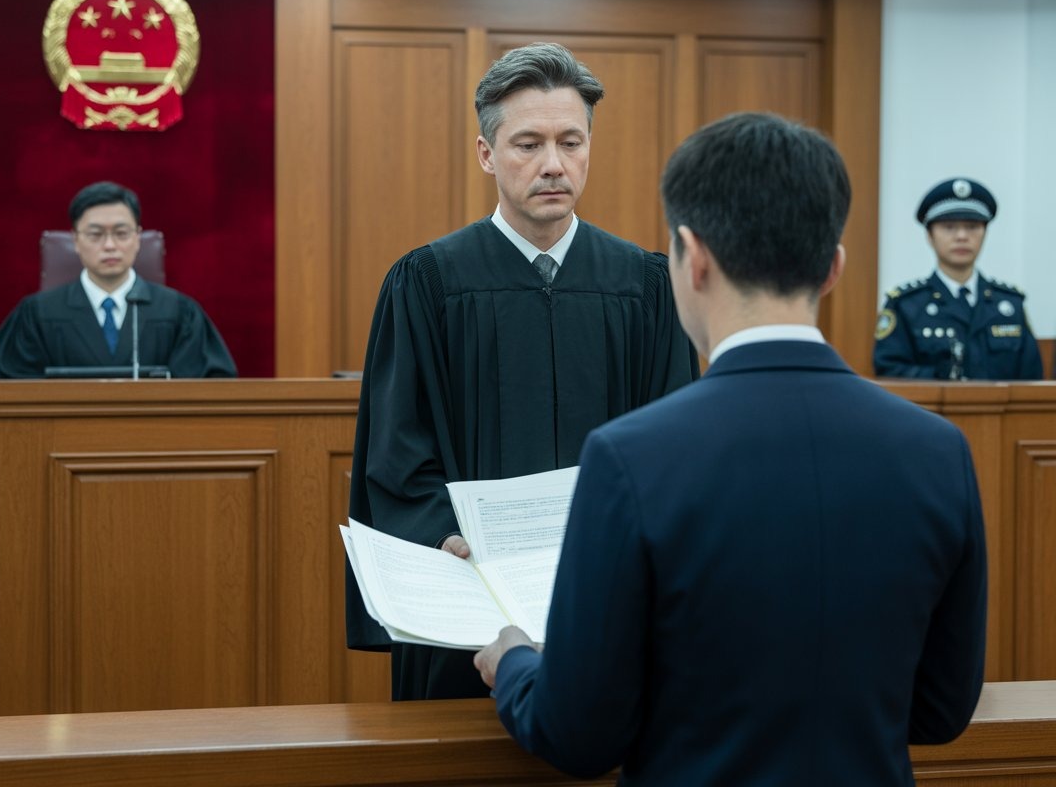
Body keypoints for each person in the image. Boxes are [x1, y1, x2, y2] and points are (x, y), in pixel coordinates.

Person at [474, 113, 987, 785]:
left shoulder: (632, 458)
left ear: (693, 257)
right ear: (833, 268)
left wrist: (514, 661)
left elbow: (580, 734)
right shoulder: (939, 452)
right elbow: (941, 710)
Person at [347, 42, 699, 700]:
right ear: (487, 154)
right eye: (528, 144)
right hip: (468, 609)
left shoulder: (646, 287)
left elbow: (673, 448)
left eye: (571, 142)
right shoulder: (428, 283)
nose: (553, 164)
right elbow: (396, 454)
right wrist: (446, 539)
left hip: (609, 596)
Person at [0, 181, 237, 379]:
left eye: (121, 233)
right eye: (95, 234)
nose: (109, 245)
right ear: (75, 240)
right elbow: (8, 389)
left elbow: (208, 389)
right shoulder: (37, 314)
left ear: (137, 238)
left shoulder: (179, 312)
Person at [874, 177, 1042, 380]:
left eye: (972, 227)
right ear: (929, 236)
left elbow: (1032, 380)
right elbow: (889, 372)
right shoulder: (906, 305)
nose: (962, 236)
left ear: (984, 233)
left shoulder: (1010, 305)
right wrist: (945, 380)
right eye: (949, 227)